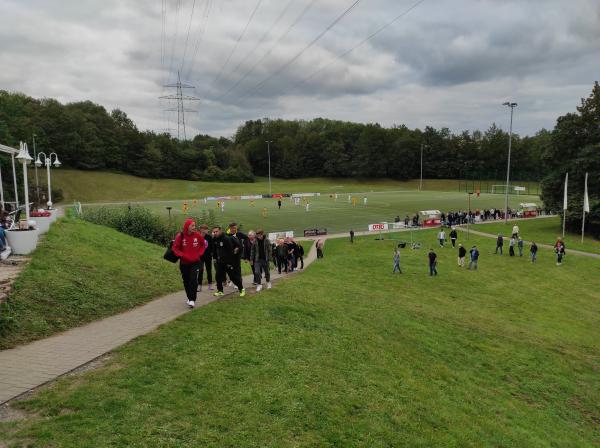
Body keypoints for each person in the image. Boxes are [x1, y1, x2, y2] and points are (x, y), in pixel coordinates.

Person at [171, 218, 206, 308]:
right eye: (192, 225)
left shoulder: (197, 235)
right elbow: (175, 248)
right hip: (184, 263)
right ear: (187, 226)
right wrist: (182, 255)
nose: (194, 227)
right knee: (186, 281)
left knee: (193, 280)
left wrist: (199, 253)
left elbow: (203, 244)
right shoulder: (180, 236)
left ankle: (192, 300)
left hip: (195, 262)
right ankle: (189, 297)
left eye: (195, 225)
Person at [211, 226, 245, 297]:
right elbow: (214, 249)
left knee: (233, 277)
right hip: (220, 261)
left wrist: (230, 262)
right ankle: (220, 291)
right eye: (214, 232)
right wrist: (215, 257)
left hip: (228, 262)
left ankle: (241, 289)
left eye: (216, 231)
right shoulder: (215, 239)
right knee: (218, 276)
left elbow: (231, 250)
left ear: (220, 231)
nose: (215, 233)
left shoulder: (226, 238)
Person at [198, 224, 214, 291]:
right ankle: (199, 286)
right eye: (206, 229)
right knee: (200, 270)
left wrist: (212, 254)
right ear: (202, 230)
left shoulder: (209, 237)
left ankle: (210, 285)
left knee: (209, 270)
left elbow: (212, 247)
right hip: (200, 257)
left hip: (208, 256)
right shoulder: (198, 236)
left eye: (207, 229)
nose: (207, 230)